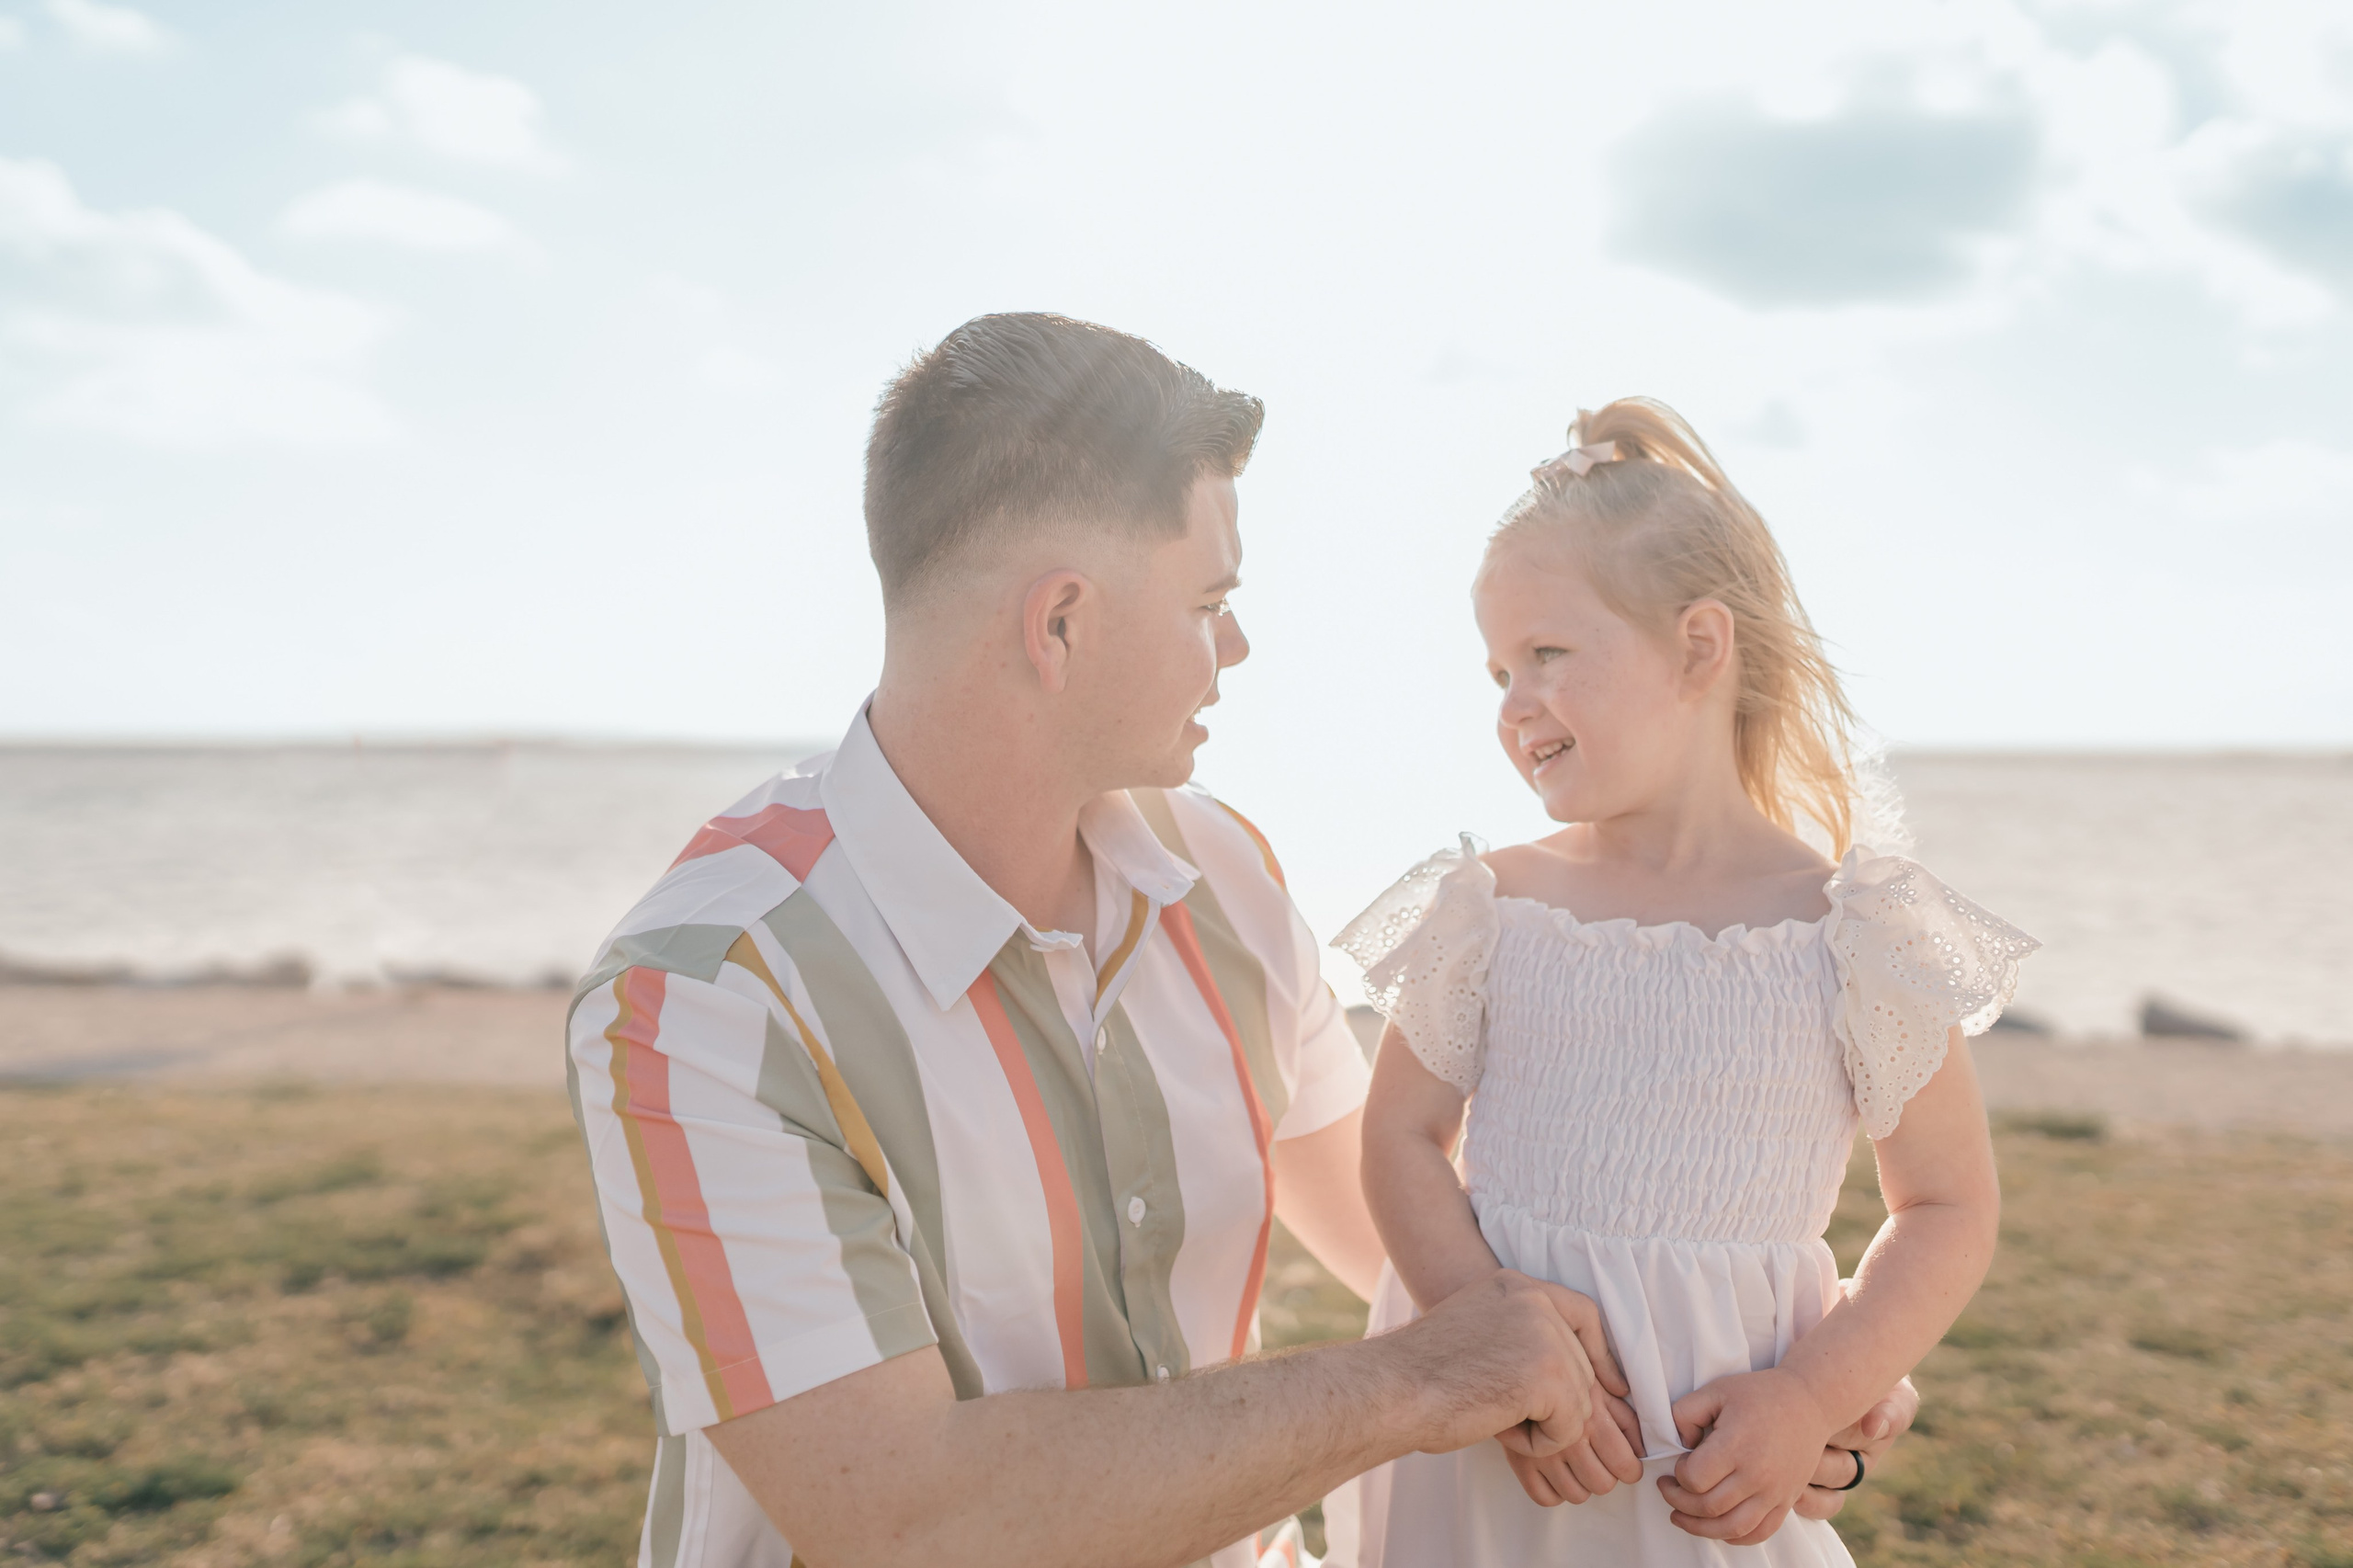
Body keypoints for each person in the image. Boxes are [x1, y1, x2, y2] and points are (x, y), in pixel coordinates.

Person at [565, 318, 1914, 1568]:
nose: (1241, 645)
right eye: (1211, 601)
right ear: (1062, 622)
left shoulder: (1222, 875)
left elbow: (1392, 1229)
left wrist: (1770, 1362)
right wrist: (1419, 1379)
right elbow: (904, 1516)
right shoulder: (706, 998)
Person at [1337, 399, 2032, 1566]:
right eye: (1499, 668)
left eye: (1548, 654)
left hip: (1706, 1468)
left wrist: (1814, 1397)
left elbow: (1948, 1205)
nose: (1513, 704)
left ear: (1699, 647)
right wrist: (1487, 1331)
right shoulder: (1490, 906)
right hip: (1484, 1449)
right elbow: (1398, 1137)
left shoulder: (1852, 933)